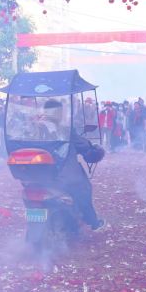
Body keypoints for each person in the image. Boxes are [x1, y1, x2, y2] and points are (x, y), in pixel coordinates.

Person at [42, 99, 105, 231]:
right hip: (62, 174)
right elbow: (82, 145)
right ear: (57, 113)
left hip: (37, 176)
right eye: (61, 111)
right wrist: (95, 150)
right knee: (83, 189)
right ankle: (92, 221)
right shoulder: (64, 130)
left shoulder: (34, 128)